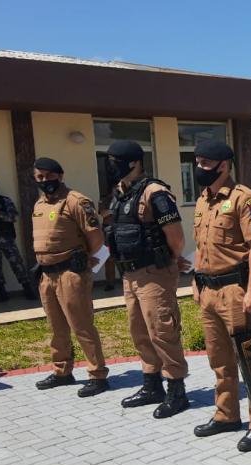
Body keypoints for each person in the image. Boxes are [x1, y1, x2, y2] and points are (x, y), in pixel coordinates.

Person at [190, 139, 251, 452]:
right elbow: (201, 246)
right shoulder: (202, 201)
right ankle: (226, 414)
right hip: (209, 291)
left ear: (223, 165)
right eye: (196, 162)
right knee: (219, 359)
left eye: (204, 163)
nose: (199, 169)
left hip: (235, 291)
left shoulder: (244, 199)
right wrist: (195, 280)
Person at [104, 140, 190, 419]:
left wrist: (172, 260)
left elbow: (176, 238)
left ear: (134, 162)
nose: (110, 166)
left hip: (154, 272)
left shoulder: (156, 193)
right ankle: (152, 385)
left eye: (115, 160)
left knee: (162, 331)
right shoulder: (120, 193)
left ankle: (177, 390)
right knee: (139, 331)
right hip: (130, 274)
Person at [31, 157, 110, 397]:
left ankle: (97, 375)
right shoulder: (39, 204)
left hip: (70, 273)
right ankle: (62, 371)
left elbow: (96, 237)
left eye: (48, 176)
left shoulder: (76, 201)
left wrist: (86, 258)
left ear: (60, 175)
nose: (45, 181)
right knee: (56, 327)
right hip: (47, 275)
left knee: (81, 325)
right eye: (39, 177)